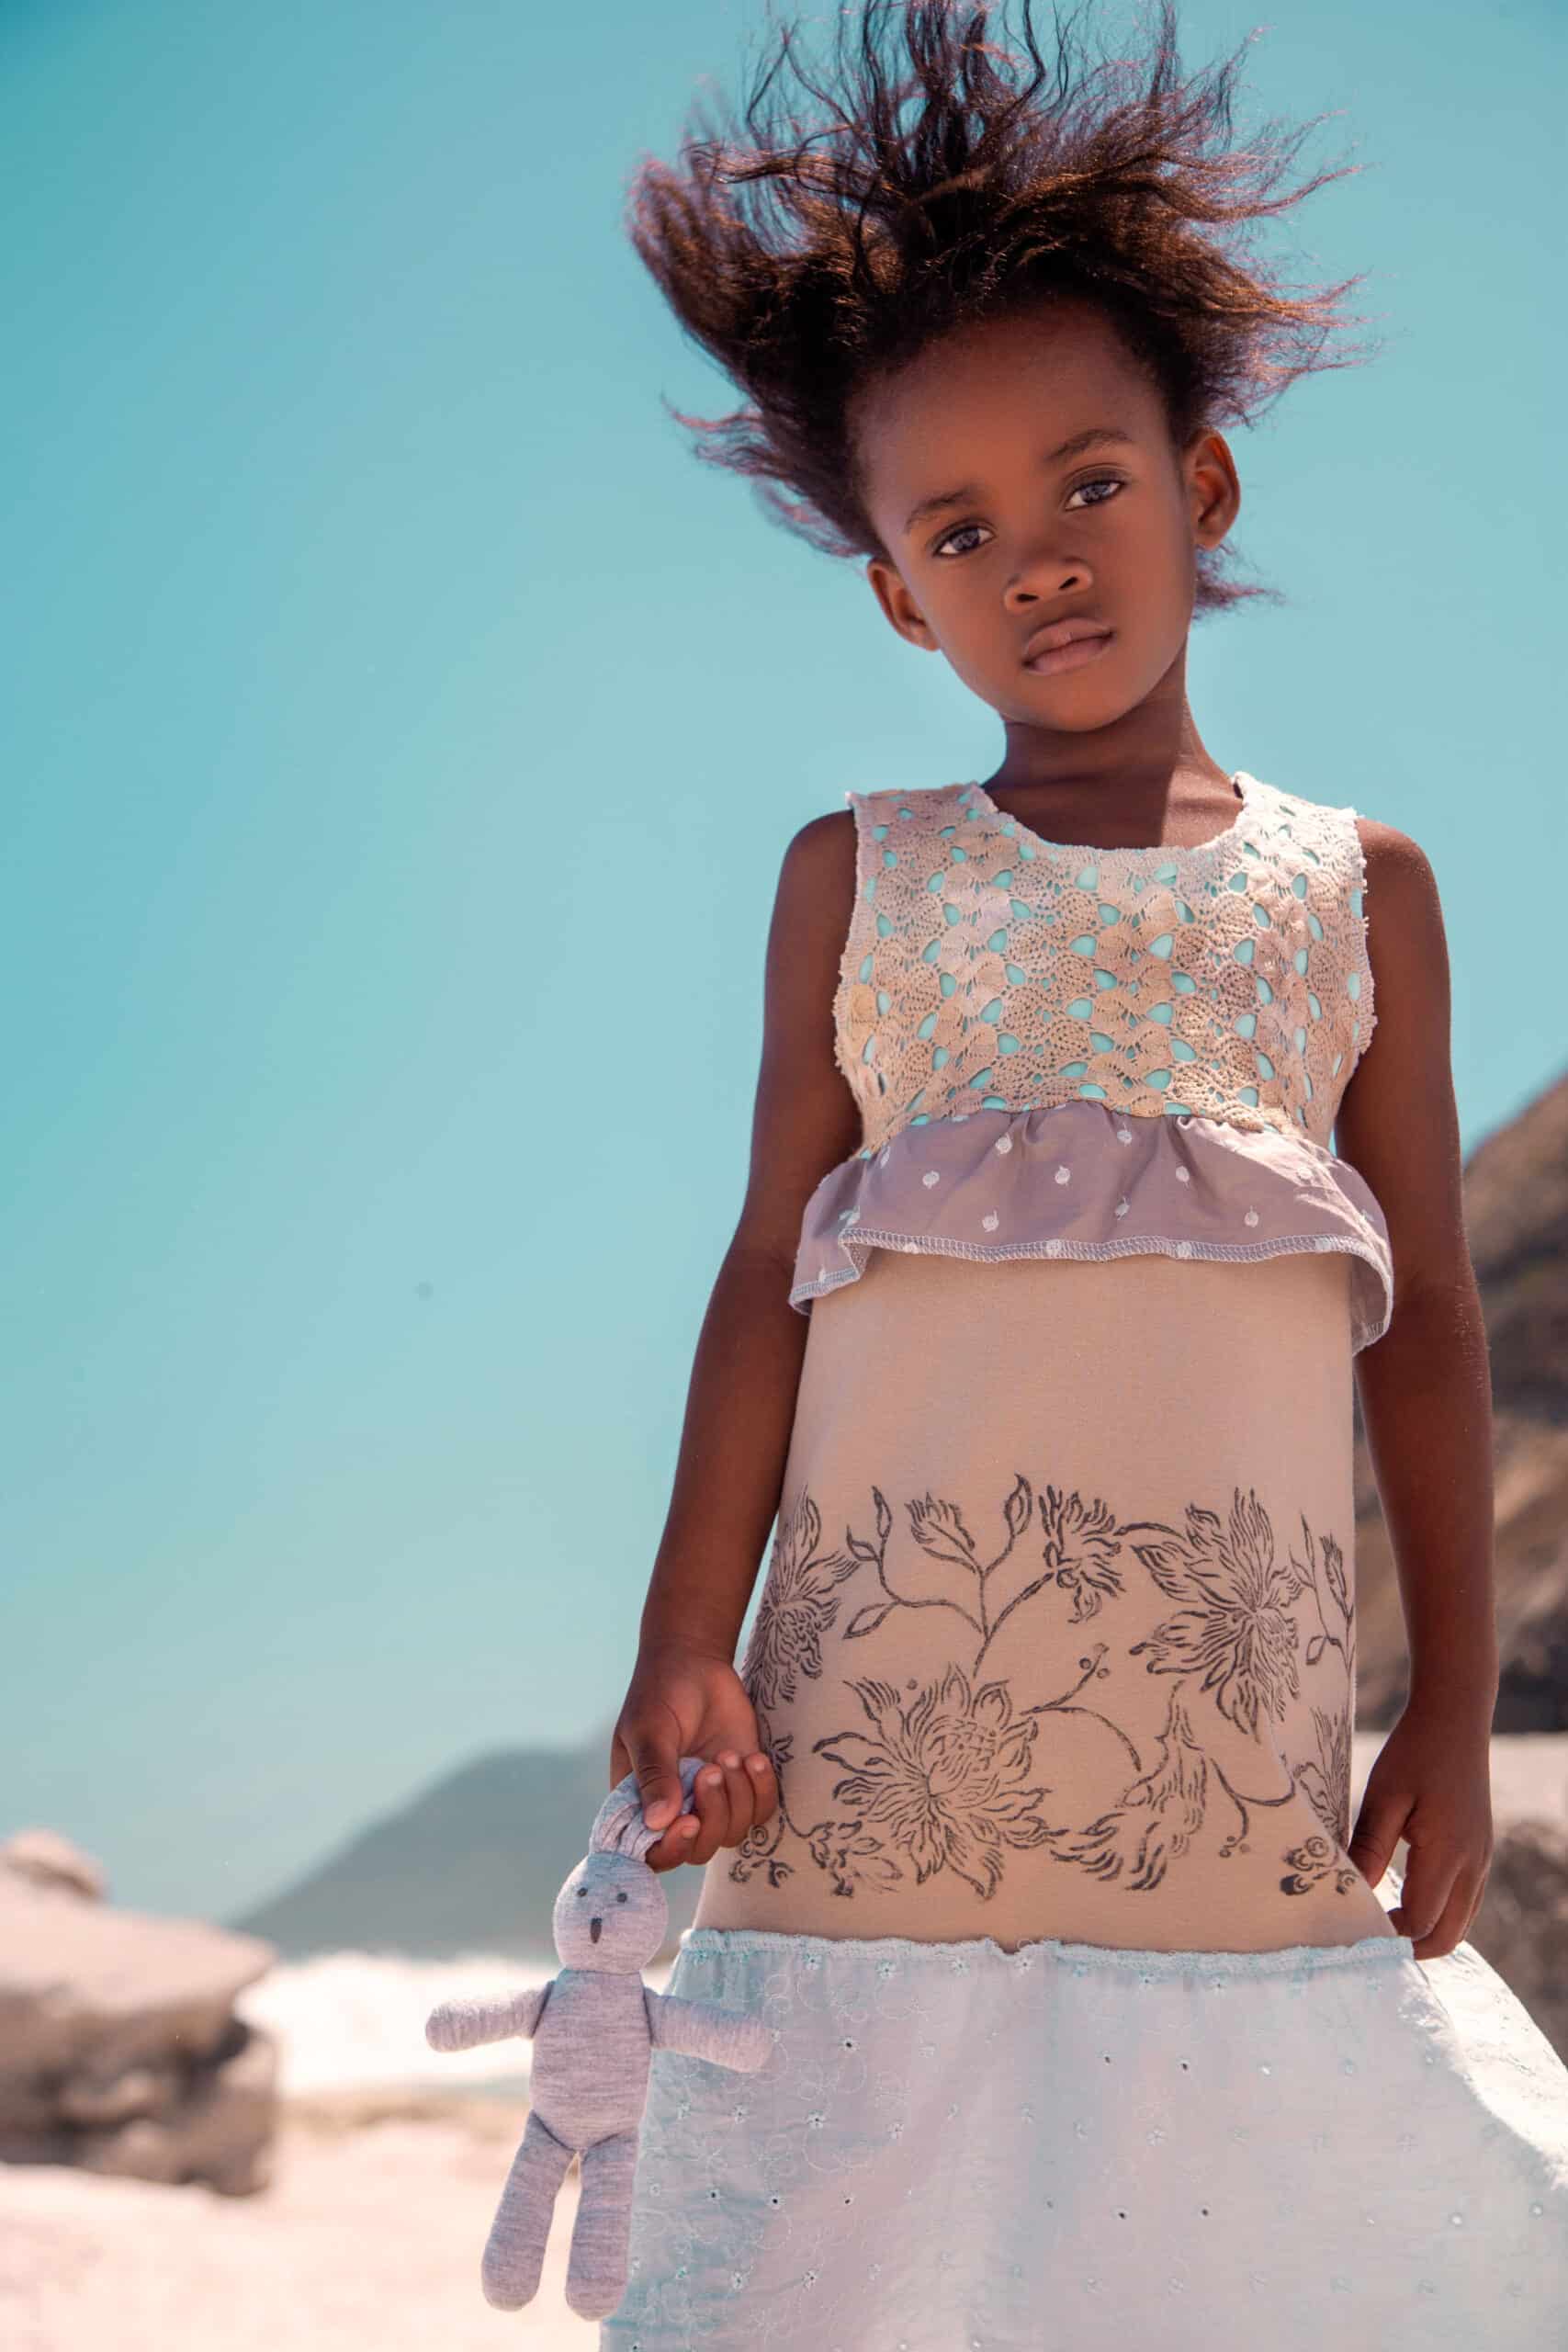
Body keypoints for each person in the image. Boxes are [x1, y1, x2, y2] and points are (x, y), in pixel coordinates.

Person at [599, 3, 1568, 2341]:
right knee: (853, 2252)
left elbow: (1425, 1314)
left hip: (1219, 1746)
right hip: (868, 1736)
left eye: (1086, 485)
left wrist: (1443, 1692)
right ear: (890, 598)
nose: (1032, 560)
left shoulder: (1359, 891)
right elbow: (764, 1273)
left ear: (1201, 487)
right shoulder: (857, 873)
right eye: (956, 530)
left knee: (1249, 2243)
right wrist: (677, 1639)